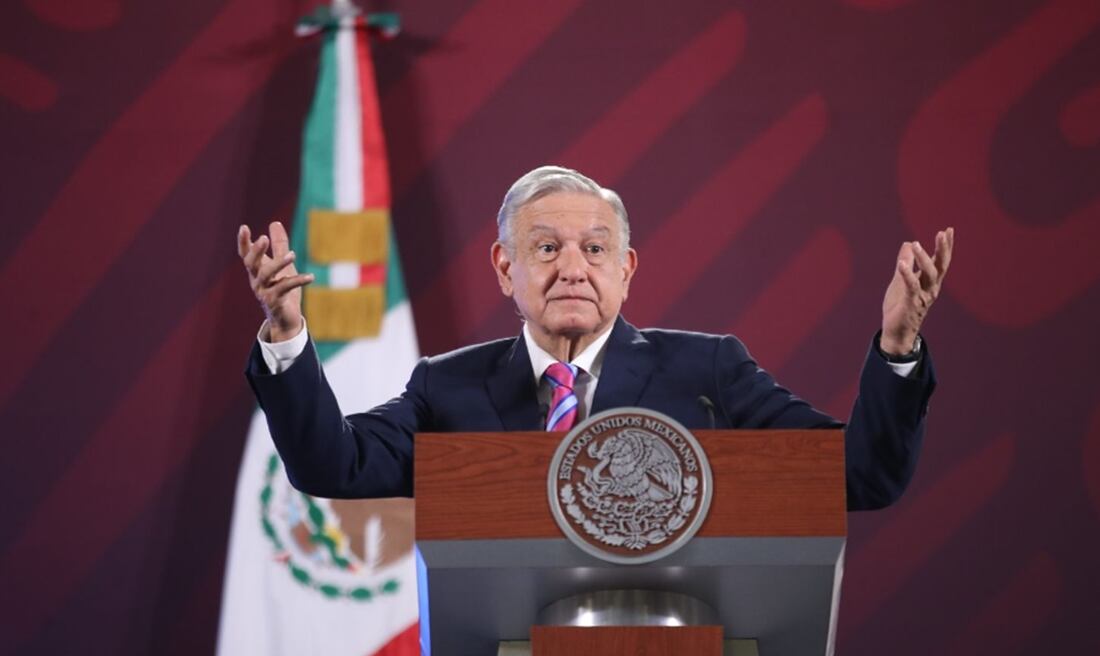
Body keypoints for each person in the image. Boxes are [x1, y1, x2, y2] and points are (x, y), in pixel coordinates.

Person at [238, 166, 953, 510]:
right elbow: (336, 465)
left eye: (597, 249)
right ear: (504, 268)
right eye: (547, 248)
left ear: (627, 270)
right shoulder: (446, 388)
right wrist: (287, 334)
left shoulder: (709, 371)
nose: (574, 269)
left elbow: (858, 476)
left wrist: (896, 351)